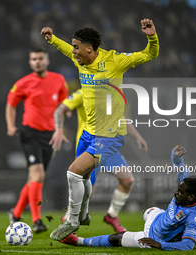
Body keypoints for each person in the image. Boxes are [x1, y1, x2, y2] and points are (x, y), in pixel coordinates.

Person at [41, 18, 159, 240]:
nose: (74, 52)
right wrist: (53, 39)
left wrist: (151, 37)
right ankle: (84, 214)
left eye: (77, 47)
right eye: (74, 47)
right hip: (88, 134)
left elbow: (149, 55)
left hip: (110, 135)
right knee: (83, 177)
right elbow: (67, 50)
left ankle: (73, 221)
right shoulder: (80, 60)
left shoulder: (114, 61)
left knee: (73, 172)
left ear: (89, 48)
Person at [58, 145, 196, 251]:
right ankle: (164, 223)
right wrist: (176, 157)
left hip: (152, 238)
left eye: (180, 192)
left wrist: (160, 245)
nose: (176, 192)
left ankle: (77, 241)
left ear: (191, 197)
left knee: (117, 238)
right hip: (157, 217)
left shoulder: (195, 216)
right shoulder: (188, 187)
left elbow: (188, 245)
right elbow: (180, 168)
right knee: (149, 211)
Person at [50, 88, 148, 232]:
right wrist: (59, 129)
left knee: (127, 181)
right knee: (88, 193)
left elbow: (121, 116)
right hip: (90, 148)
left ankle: (112, 215)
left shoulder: (110, 93)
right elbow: (60, 109)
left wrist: (137, 136)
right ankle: (68, 218)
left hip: (108, 145)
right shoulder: (82, 93)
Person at [6, 48, 68, 233]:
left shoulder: (58, 80)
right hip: (30, 133)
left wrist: (64, 118)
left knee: (34, 177)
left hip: (49, 136)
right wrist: (10, 126)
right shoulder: (23, 83)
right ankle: (37, 220)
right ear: (30, 62)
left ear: (47, 61)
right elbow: (11, 104)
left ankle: (16, 213)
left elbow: (63, 104)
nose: (37, 62)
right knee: (38, 175)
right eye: (34, 59)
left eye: (40, 58)